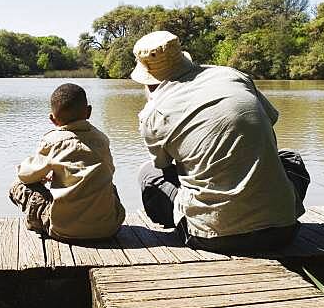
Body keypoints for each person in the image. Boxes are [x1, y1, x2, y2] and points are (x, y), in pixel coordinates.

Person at [132, 31, 308, 255]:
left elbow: (166, 170)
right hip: (283, 231)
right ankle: (272, 210)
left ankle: (193, 220)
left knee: (148, 174)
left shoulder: (153, 113)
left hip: (213, 238)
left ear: (149, 81)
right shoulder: (234, 76)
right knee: (290, 158)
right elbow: (268, 130)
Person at [9, 83, 126, 241]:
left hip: (63, 231)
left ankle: (37, 221)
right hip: (109, 229)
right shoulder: (102, 139)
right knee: (108, 185)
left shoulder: (52, 141)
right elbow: (108, 171)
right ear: (89, 112)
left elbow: (25, 175)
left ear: (52, 119)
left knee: (18, 186)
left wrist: (40, 175)